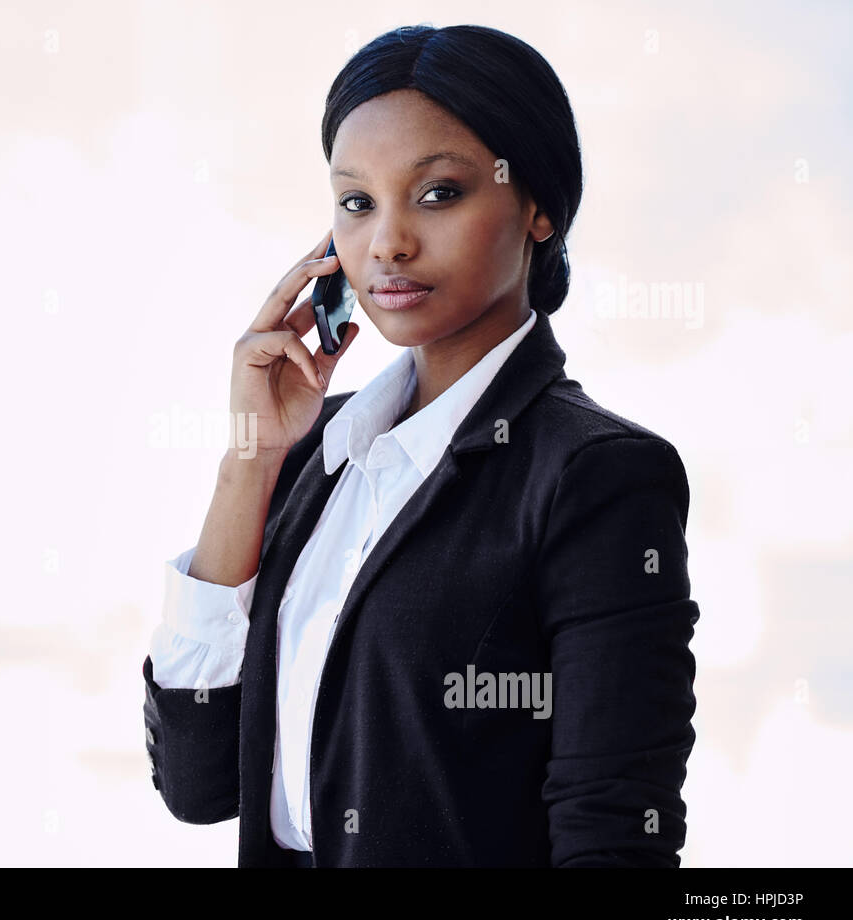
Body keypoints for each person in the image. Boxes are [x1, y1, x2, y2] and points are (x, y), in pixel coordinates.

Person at [142, 23, 699, 867]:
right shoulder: (317, 454)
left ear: (538, 206)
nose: (388, 242)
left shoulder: (599, 477)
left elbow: (613, 835)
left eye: (437, 193)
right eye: (357, 202)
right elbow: (197, 781)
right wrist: (250, 461)